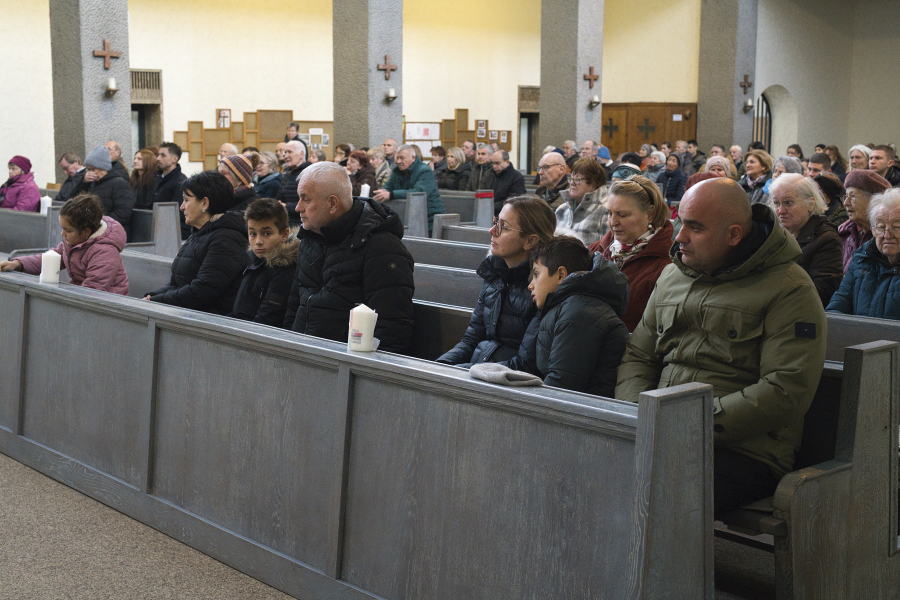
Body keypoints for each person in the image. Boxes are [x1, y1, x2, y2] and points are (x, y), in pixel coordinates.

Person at [616, 177, 827, 518]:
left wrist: (690, 424)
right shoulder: (673, 276)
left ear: (733, 235)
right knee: (582, 466)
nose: (680, 237)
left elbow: (785, 390)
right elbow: (639, 355)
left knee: (654, 490)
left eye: (695, 227)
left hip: (745, 450)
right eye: (681, 222)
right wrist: (635, 415)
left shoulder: (789, 289)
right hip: (662, 430)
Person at [282, 162, 415, 353]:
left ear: (332, 204)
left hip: (343, 362)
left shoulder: (381, 247)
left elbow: (392, 329)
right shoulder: (310, 240)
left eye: (306, 199)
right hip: (303, 354)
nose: (297, 208)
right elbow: (295, 305)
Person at [436, 196, 556, 374]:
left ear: (530, 241)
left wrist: (460, 372)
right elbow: (470, 341)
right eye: (496, 222)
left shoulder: (541, 289)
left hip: (503, 382)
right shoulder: (495, 274)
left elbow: (524, 364)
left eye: (504, 227)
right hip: (475, 373)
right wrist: (438, 367)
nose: (492, 231)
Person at [528, 236, 629, 397]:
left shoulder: (579, 313)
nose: (530, 285)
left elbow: (562, 386)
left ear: (561, 275)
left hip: (590, 408)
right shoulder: (569, 307)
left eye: (536, 274)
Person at [143, 171, 249, 314]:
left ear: (205, 203)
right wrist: (152, 296)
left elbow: (203, 291)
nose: (182, 207)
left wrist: (157, 301)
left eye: (186, 200)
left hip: (209, 320)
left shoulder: (227, 240)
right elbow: (178, 283)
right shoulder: (200, 234)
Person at [588, 176, 673, 332]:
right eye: (609, 213)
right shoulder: (593, 251)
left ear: (650, 214)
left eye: (623, 215)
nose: (613, 222)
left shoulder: (668, 264)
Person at [0, 194, 128, 294]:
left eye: (68, 230)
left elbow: (94, 289)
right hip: (81, 294)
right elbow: (50, 258)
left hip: (108, 306)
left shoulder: (105, 252)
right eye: (62, 229)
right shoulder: (75, 241)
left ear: (86, 231)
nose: (62, 234)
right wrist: (18, 264)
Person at [769, 174, 843, 306]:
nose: (780, 211)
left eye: (788, 203)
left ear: (810, 204)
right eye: (776, 203)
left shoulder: (826, 239)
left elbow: (822, 291)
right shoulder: (773, 235)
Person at [827, 188, 900, 320]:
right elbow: (837, 307)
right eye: (881, 227)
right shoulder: (862, 258)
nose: (887, 235)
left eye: (897, 227)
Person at [228, 198, 299, 326]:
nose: (258, 241)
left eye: (266, 233)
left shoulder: (285, 270)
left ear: (284, 234)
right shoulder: (251, 260)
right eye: (252, 234)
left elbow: (267, 319)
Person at [373, 144, 445, 231]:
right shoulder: (397, 171)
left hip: (429, 220)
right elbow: (387, 187)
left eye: (402, 158)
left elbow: (419, 192)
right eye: (397, 158)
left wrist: (391, 195)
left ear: (413, 158)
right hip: (407, 217)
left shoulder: (424, 171)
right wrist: (382, 193)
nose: (398, 161)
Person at [838, 169, 892, 271]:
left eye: (853, 196)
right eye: (846, 196)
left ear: (873, 200)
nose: (846, 203)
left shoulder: (887, 236)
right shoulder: (843, 233)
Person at [80, 146, 135, 238]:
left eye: (93, 169)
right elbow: (74, 199)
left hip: (114, 234)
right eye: (88, 169)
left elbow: (123, 214)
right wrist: (83, 182)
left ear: (103, 168)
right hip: (97, 231)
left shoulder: (119, 184)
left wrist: (97, 220)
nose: (90, 172)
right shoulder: (93, 183)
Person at [555, 158, 609, 245]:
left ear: (593, 184)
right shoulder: (561, 209)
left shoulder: (607, 210)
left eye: (578, 179)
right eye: (571, 179)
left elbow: (608, 249)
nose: (572, 183)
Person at [276, 140, 311, 226]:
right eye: (285, 152)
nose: (286, 156)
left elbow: (310, 203)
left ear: (301, 154)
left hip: (301, 224)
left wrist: (286, 207)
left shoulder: (309, 173)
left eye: (290, 152)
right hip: (285, 222)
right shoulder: (287, 172)